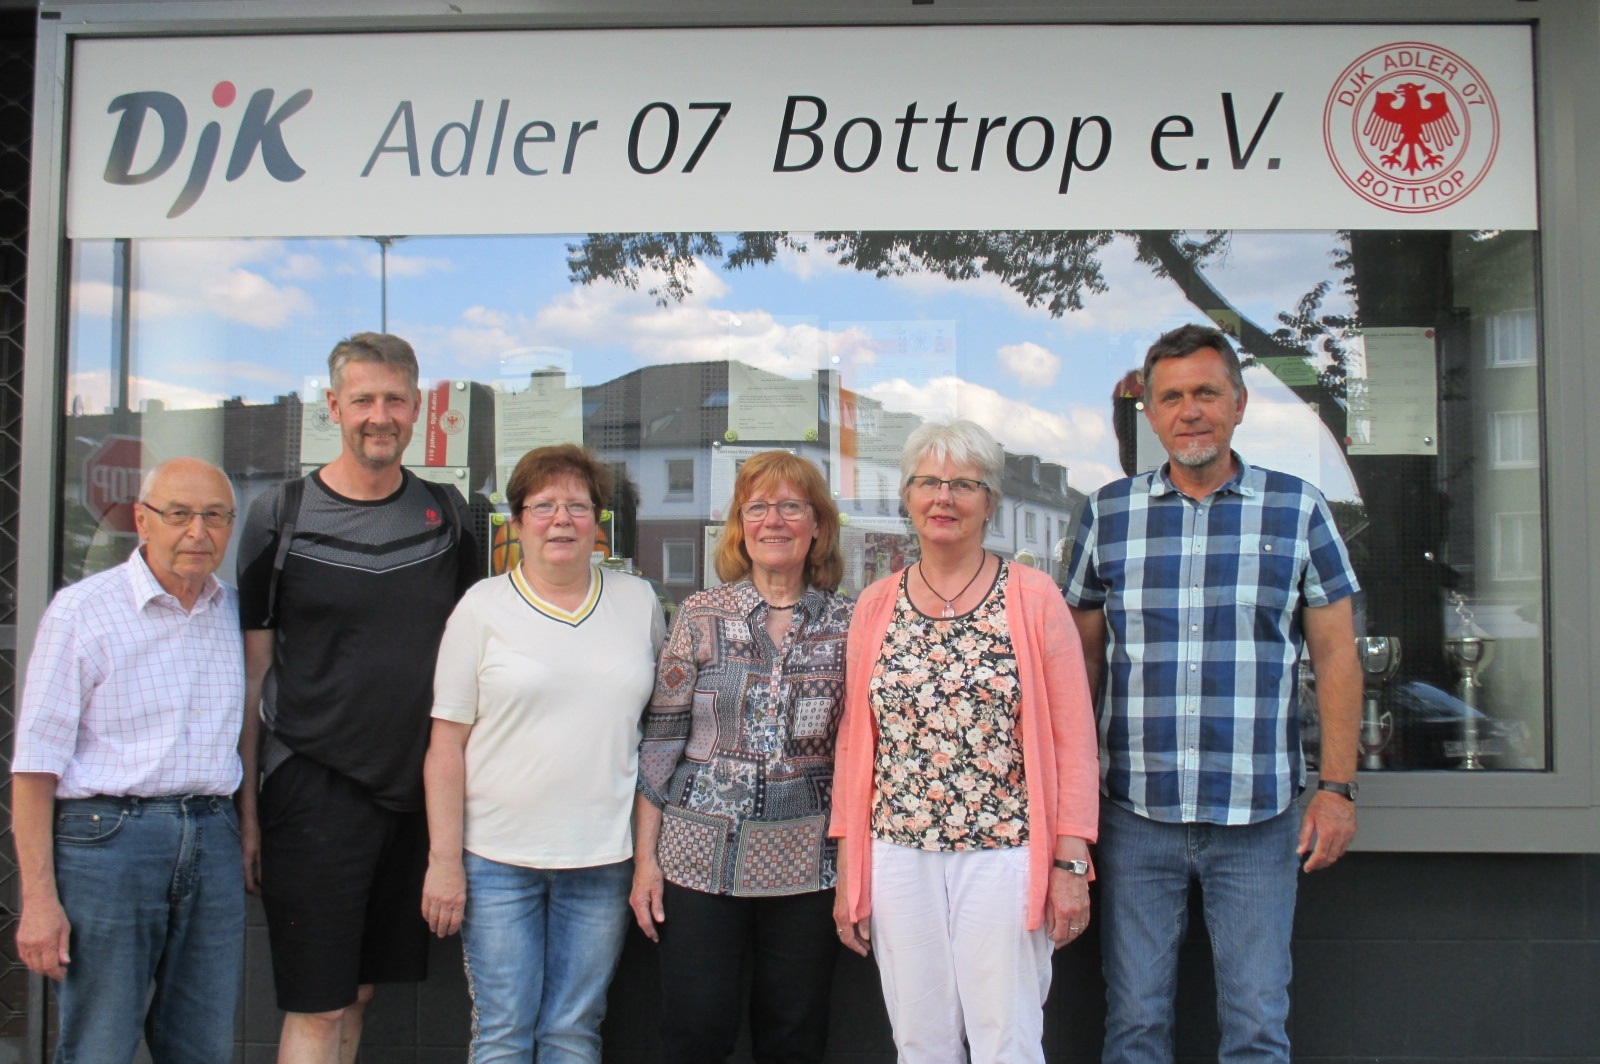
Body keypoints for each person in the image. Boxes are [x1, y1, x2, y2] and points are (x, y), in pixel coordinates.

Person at [1063, 323, 1362, 1064]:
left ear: (1239, 403)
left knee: (1258, 1027)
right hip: (1136, 814)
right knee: (1134, 1024)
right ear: (1150, 414)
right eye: (1171, 398)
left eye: (1206, 393)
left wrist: (1337, 789)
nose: (1189, 411)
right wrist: (1069, 799)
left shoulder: (1297, 509)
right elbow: (1080, 663)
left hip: (1258, 817)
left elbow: (1336, 655)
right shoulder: (1108, 514)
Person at [236, 332, 478, 1064]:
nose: (380, 415)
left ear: (418, 408)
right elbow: (252, 678)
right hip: (311, 788)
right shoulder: (280, 515)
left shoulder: (449, 515)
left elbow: (474, 658)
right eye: (363, 399)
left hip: (411, 791)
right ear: (333, 406)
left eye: (394, 400)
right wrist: (249, 811)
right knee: (318, 1004)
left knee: (362, 992)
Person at [830, 419, 1100, 1064]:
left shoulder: (1033, 597)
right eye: (927, 482)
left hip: (1003, 852)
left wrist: (1071, 863)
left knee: (1006, 1037)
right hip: (898, 851)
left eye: (963, 484)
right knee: (918, 1040)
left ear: (990, 501)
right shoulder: (875, 604)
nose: (943, 498)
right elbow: (854, 744)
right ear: (907, 496)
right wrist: (849, 870)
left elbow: (1074, 739)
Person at [421, 444, 665, 1064]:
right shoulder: (481, 608)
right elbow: (445, 745)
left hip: (602, 858)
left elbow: (657, 733)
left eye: (578, 506)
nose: (561, 519)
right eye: (544, 505)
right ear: (516, 521)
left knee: (573, 1030)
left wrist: (645, 857)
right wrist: (444, 861)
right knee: (504, 1030)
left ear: (598, 522)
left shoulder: (638, 603)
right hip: (496, 859)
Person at [13, 458, 246, 1064]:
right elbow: (34, 767)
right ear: (142, 521)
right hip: (108, 843)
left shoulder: (234, 613)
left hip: (213, 837)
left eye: (215, 516)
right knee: (100, 1045)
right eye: (179, 514)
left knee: (203, 1046)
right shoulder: (83, 611)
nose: (198, 531)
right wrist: (38, 901)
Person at [631, 451, 853, 1064]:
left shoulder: (850, 623)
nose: (773, 521)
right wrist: (645, 862)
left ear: (817, 525)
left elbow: (861, 754)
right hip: (698, 859)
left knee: (795, 1038)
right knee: (695, 1033)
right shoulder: (700, 615)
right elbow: (661, 742)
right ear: (739, 526)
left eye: (791, 507)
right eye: (757, 508)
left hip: (809, 863)